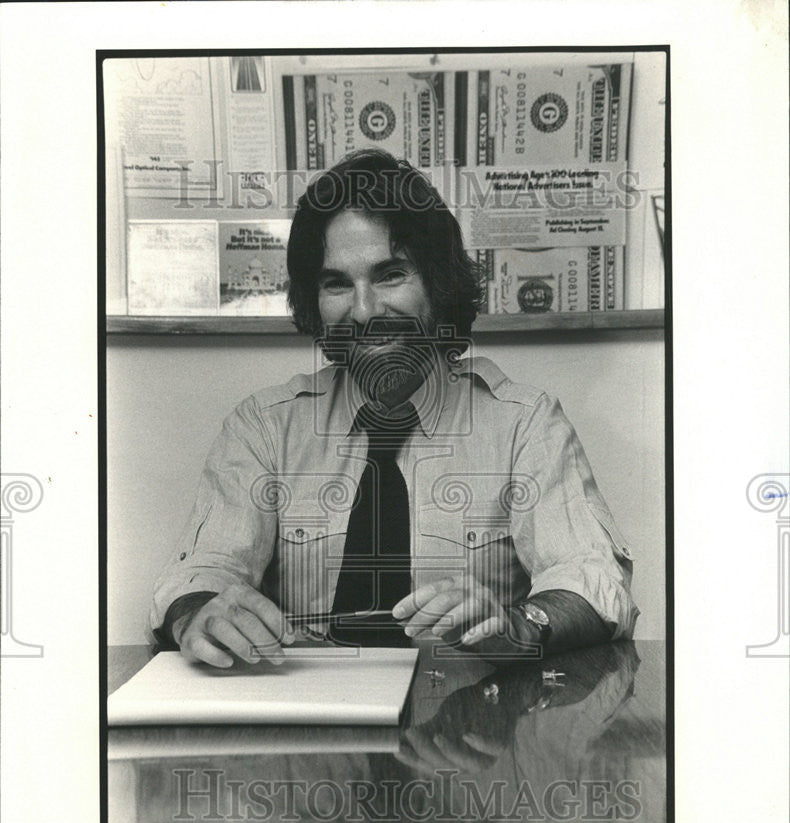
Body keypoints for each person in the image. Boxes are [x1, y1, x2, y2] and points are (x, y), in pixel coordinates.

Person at [150, 149, 638, 668]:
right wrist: (199, 613)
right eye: (337, 283)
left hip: (470, 719)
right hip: (309, 722)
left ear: (438, 283)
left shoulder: (524, 424)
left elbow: (593, 577)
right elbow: (203, 569)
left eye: (390, 275)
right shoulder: (265, 427)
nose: (363, 312)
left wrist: (520, 624)